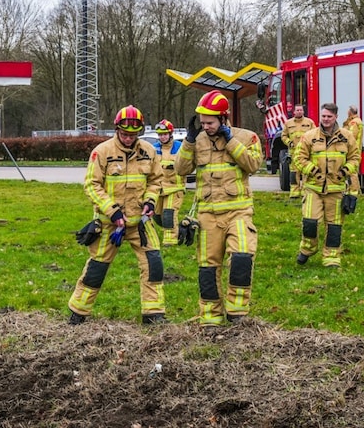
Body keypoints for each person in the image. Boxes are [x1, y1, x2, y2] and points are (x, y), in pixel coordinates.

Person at [68, 105, 166, 326]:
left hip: (140, 222)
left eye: (133, 134)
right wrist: (112, 211)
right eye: (124, 134)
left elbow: (156, 181)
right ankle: (78, 312)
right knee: (97, 267)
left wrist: (151, 202)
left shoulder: (149, 151)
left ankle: (154, 314)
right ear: (116, 130)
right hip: (109, 223)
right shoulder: (102, 152)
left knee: (153, 264)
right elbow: (92, 185)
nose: (129, 138)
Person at [173, 90, 264, 326]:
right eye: (202, 123)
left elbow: (253, 165)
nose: (206, 127)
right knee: (207, 269)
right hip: (208, 215)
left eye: (210, 123)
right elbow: (181, 169)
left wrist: (230, 141)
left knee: (242, 259)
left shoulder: (247, 137)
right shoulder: (197, 140)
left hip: (239, 213)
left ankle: (238, 315)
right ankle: (210, 318)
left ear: (223, 118)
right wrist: (189, 142)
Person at [291, 102, 362, 268]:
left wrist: (345, 171)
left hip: (336, 189)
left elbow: (355, 158)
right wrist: (313, 170)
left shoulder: (347, 136)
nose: (326, 119)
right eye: (323, 116)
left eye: (329, 116)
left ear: (336, 117)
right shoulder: (309, 136)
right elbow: (298, 158)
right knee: (310, 222)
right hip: (313, 188)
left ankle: (331, 257)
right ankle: (308, 248)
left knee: (334, 226)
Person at [152, 119, 185, 245]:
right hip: (159, 189)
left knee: (168, 214)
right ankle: (179, 230)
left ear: (170, 134)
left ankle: (170, 241)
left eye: (165, 134)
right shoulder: (154, 149)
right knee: (157, 216)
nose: (162, 137)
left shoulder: (180, 148)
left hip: (175, 188)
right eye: (160, 134)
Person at [281, 103, 316, 198]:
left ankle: (306, 192)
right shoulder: (288, 123)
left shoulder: (310, 122)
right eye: (298, 110)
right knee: (293, 173)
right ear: (294, 112)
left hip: (306, 153)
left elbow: (315, 135)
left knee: (306, 172)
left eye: (301, 110)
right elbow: (283, 136)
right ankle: (294, 193)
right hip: (293, 154)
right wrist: (289, 142)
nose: (299, 111)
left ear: (303, 111)